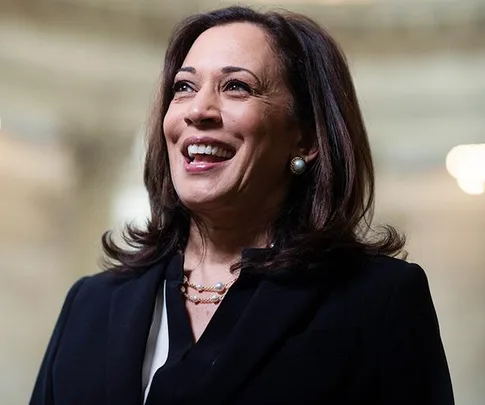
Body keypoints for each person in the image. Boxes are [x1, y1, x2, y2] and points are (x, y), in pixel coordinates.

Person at [30, 6, 454, 405]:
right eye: (184, 87)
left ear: (306, 139)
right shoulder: (90, 302)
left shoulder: (378, 300)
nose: (199, 110)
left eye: (236, 86)